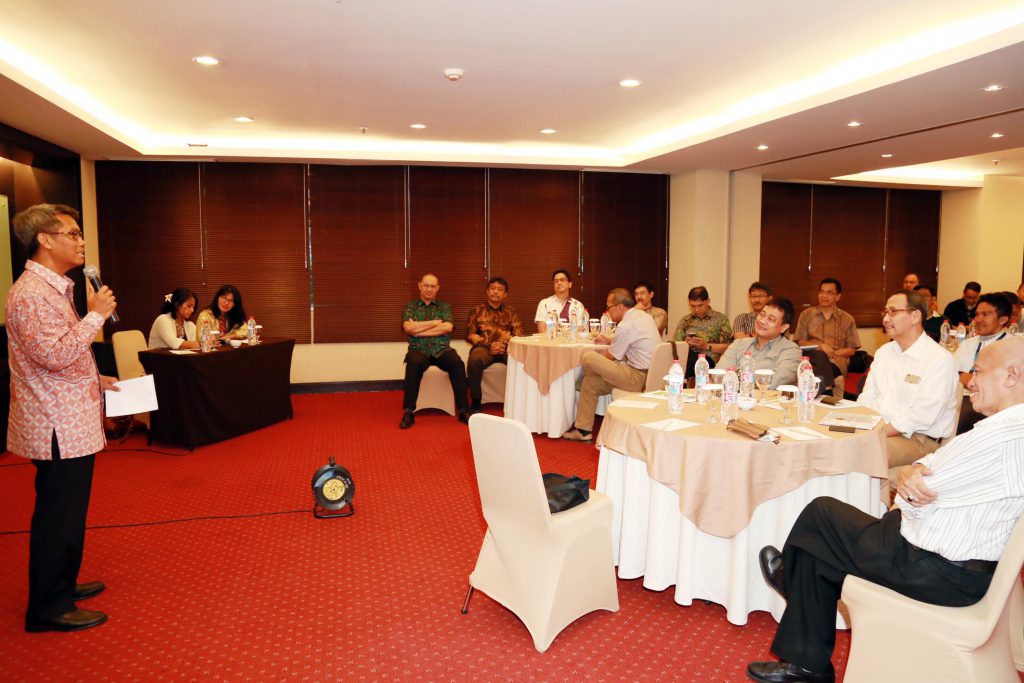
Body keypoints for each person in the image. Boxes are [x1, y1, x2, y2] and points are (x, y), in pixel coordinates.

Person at [748, 336, 1024, 683]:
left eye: (979, 371)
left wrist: (910, 488)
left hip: (934, 569)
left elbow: (916, 495)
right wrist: (912, 475)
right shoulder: (1007, 429)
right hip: (954, 561)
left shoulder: (1002, 438)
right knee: (820, 546)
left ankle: (792, 582)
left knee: (821, 515)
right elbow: (930, 465)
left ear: (1012, 376)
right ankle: (805, 660)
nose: (970, 381)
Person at [7, 204, 119, 633]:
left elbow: (60, 353)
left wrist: (98, 376)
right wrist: (96, 315)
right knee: (58, 515)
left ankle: (64, 584)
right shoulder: (30, 294)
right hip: (56, 425)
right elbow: (53, 356)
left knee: (70, 512)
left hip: (70, 418)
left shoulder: (54, 288)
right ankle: (48, 607)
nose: (81, 241)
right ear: (45, 240)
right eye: (71, 233)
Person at [857, 290, 958, 470]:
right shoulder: (884, 352)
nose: (886, 319)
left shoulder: (938, 359)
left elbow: (922, 416)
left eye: (893, 312)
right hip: (880, 430)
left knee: (861, 452)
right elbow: (867, 397)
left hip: (919, 439)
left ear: (915, 316)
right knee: (835, 443)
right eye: (885, 312)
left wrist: (876, 432)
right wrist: (861, 425)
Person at [562, 288, 660, 442]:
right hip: (652, 376)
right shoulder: (644, 317)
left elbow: (610, 357)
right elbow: (629, 340)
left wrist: (597, 357)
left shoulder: (625, 326)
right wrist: (610, 340)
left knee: (588, 357)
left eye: (609, 308)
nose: (607, 312)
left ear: (620, 307)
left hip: (637, 378)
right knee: (591, 383)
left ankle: (580, 380)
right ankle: (583, 430)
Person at [400, 273, 469, 428]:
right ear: (419, 286)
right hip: (418, 349)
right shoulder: (410, 307)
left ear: (437, 288)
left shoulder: (445, 307)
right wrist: (435, 323)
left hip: (442, 349)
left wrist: (419, 329)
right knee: (413, 362)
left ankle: (464, 410)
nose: (429, 289)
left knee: (457, 363)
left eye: (432, 286)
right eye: (426, 285)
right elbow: (408, 328)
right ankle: (408, 411)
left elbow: (448, 327)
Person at [953, 292, 1011, 433]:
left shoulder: (1011, 346)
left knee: (958, 418)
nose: (978, 319)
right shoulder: (968, 344)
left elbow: (1002, 383)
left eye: (985, 315)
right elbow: (950, 372)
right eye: (977, 314)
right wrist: (962, 376)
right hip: (958, 396)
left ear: (1003, 319)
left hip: (988, 404)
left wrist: (968, 378)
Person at [465, 277, 523, 413]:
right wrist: (490, 345)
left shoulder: (512, 312)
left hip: (506, 349)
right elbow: (470, 335)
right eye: (493, 288)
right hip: (483, 349)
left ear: (505, 294)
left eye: (500, 289)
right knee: (474, 360)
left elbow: (518, 335)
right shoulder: (476, 311)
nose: (496, 292)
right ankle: (476, 400)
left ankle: (520, 400)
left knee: (521, 361)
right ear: (487, 291)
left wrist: (505, 344)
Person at [792, 278, 861, 394]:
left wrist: (832, 353)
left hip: (836, 361)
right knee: (819, 356)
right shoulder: (806, 315)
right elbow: (800, 342)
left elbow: (851, 349)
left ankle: (823, 388)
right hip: (812, 359)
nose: (824, 295)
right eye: (821, 292)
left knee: (824, 367)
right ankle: (828, 388)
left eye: (829, 292)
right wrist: (822, 347)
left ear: (838, 296)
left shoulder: (847, 319)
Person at [718, 298, 801, 389]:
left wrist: (735, 378)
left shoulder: (791, 350)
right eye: (762, 315)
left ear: (784, 327)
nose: (762, 321)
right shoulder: (738, 344)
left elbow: (772, 383)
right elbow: (719, 375)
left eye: (771, 319)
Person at [671, 286, 732, 378]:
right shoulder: (685, 320)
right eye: (693, 306)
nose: (696, 310)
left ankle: (681, 383)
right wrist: (685, 344)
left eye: (700, 305)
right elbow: (675, 346)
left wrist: (706, 346)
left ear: (708, 301)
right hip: (687, 356)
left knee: (691, 360)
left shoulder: (721, 319)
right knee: (678, 360)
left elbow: (727, 347)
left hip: (708, 359)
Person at [535, 268, 587, 333]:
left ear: (570, 284)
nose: (559, 283)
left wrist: (563, 330)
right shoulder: (544, 303)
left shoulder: (578, 305)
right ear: (553, 286)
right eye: (556, 281)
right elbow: (542, 331)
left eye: (562, 280)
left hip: (571, 342)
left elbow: (581, 329)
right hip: (550, 342)